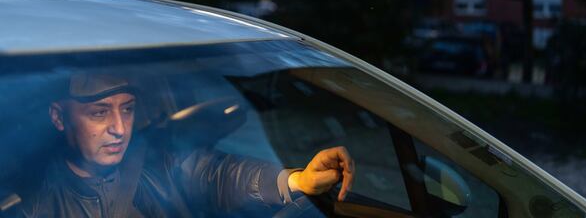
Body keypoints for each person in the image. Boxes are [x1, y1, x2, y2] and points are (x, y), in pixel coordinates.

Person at [21, 72, 354, 217]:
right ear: (59, 118)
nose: (120, 129)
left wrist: (297, 180)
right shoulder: (33, 206)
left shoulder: (154, 164)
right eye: (99, 113)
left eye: (128, 109)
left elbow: (221, 175)